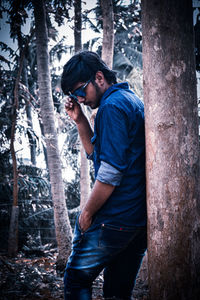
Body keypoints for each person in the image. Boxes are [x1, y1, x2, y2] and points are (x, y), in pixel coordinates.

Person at [61, 51, 147, 300]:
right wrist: (80, 121)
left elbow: (110, 173)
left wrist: (86, 214)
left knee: (76, 279)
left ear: (99, 77)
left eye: (80, 91)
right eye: (73, 95)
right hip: (137, 222)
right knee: (116, 293)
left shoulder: (111, 107)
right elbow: (97, 155)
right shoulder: (128, 99)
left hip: (116, 218)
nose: (79, 98)